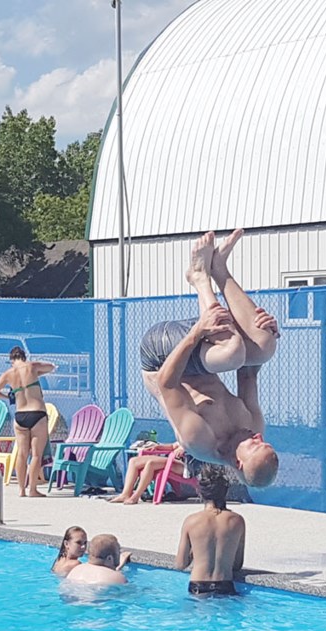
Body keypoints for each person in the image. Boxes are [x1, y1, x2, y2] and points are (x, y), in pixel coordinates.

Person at [140, 229, 281, 487]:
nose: (257, 437)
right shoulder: (252, 424)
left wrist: (198, 331)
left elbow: (165, 383)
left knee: (233, 351)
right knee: (264, 345)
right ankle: (219, 269)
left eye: (255, 445)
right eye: (263, 441)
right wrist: (267, 329)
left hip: (160, 355)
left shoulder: (199, 440)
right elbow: (248, 372)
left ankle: (199, 279)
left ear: (238, 462)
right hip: (202, 352)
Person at [0, 346, 55, 498]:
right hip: (37, 413)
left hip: (20, 415)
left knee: (22, 454)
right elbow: (51, 367)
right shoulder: (31, 366)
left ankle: (21, 490)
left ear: (11, 360)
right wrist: (39, 371)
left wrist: (8, 397)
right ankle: (32, 489)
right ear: (24, 357)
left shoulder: (8, 374)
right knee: (36, 455)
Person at [174, 464, 246, 597]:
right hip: (225, 586)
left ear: (199, 492)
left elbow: (180, 564)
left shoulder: (192, 521)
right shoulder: (237, 521)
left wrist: (196, 551)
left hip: (198, 587)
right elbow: (237, 565)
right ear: (225, 492)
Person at [109, 441, 189, 505]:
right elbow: (173, 446)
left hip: (187, 465)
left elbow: (198, 448)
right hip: (173, 461)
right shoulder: (184, 434)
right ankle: (125, 494)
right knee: (133, 461)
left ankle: (136, 496)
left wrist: (185, 448)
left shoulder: (197, 434)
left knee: (151, 463)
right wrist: (157, 447)